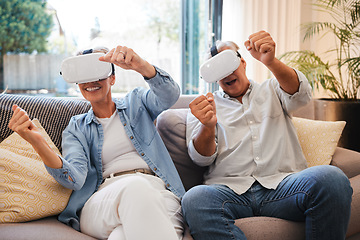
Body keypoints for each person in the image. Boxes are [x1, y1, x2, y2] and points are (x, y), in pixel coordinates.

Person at [182, 30, 353, 240]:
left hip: (284, 188)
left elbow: (302, 95)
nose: (226, 72)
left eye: (228, 62)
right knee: (194, 198)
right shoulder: (204, 107)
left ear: (243, 62)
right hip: (230, 191)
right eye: (217, 67)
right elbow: (201, 158)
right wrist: (207, 126)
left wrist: (271, 62)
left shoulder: (273, 88)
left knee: (332, 178)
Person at [8, 46, 185, 240]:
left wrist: (140, 65)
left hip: (158, 192)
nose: (91, 81)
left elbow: (170, 95)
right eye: (84, 75)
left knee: (120, 236)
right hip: (104, 200)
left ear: (112, 78)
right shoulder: (77, 127)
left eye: (98, 73)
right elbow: (73, 179)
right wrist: (38, 142)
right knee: (136, 187)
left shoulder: (137, 102)